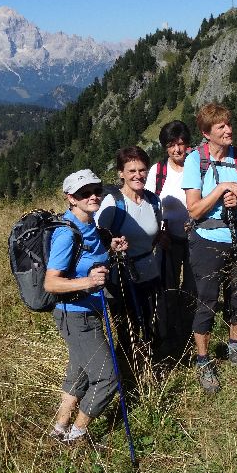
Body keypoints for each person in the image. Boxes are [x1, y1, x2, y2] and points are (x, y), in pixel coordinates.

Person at [43, 168, 128, 444]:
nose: (93, 196)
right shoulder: (66, 234)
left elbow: (89, 257)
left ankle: (59, 430)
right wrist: (87, 282)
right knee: (106, 378)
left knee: (79, 374)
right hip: (75, 316)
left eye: (96, 190)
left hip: (89, 311)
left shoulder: (90, 226)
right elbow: (51, 283)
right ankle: (76, 436)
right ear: (71, 198)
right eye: (84, 193)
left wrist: (111, 249)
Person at [182, 103, 237, 393]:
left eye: (229, 124)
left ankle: (235, 345)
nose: (229, 130)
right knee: (207, 299)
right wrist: (221, 189)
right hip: (207, 240)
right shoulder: (196, 160)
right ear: (207, 133)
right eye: (221, 127)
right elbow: (193, 210)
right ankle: (203, 360)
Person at [97, 146, 164, 360]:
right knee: (128, 331)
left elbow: (155, 234)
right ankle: (129, 370)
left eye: (142, 170)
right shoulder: (113, 203)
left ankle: (150, 364)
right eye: (131, 171)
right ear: (121, 173)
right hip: (121, 277)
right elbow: (97, 240)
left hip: (150, 273)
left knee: (151, 324)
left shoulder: (154, 201)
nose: (138, 175)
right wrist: (112, 247)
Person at [147, 121, 195, 357]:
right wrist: (159, 233)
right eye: (171, 145)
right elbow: (149, 204)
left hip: (196, 238)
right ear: (165, 147)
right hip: (168, 240)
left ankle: (189, 330)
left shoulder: (197, 167)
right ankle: (169, 333)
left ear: (188, 144)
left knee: (193, 288)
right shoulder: (158, 172)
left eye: (181, 143)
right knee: (168, 289)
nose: (177, 149)